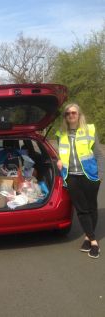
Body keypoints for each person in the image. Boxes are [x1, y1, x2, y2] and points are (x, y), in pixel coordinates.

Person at [56, 103, 104, 259]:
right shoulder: (60, 134)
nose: (71, 115)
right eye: (68, 113)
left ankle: (87, 237)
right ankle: (94, 241)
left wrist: (100, 175)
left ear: (79, 114)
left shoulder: (89, 130)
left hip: (90, 175)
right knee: (81, 209)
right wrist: (59, 161)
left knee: (91, 207)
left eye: (74, 113)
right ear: (65, 116)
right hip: (71, 176)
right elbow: (63, 154)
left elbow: (98, 155)